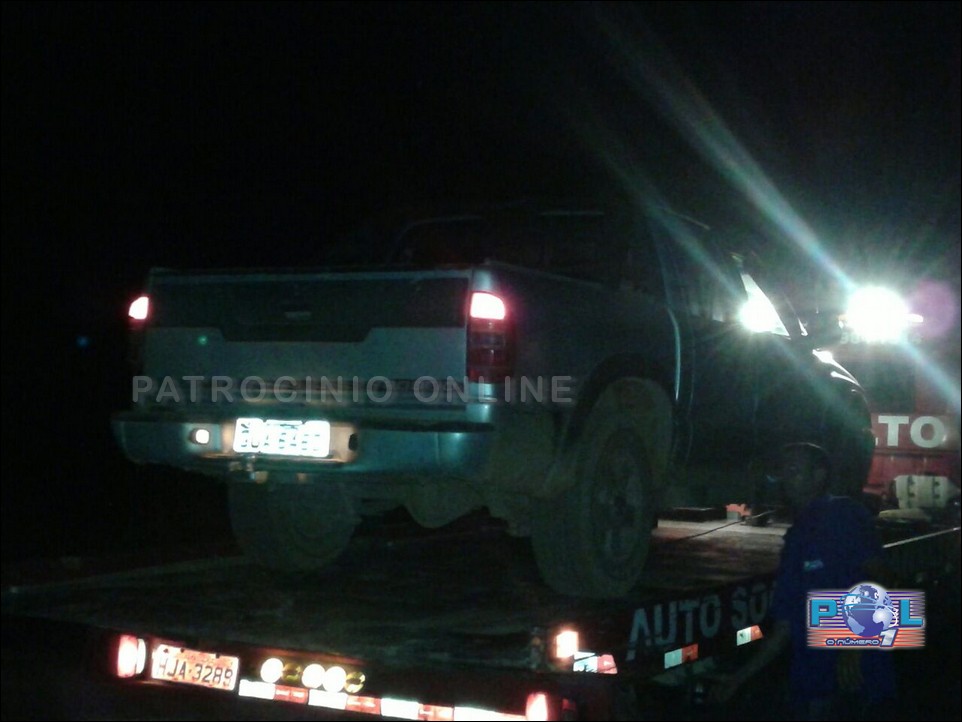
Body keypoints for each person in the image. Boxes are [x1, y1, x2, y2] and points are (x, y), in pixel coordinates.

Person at [710, 442, 897, 720]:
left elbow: (883, 578)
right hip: (812, 684)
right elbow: (785, 626)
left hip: (856, 682)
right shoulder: (796, 537)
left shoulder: (844, 515)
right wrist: (738, 678)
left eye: (794, 470)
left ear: (818, 475)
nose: (785, 478)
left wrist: (857, 644)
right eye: (784, 471)